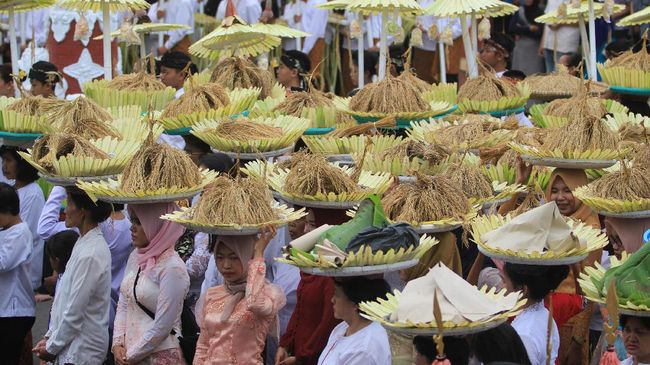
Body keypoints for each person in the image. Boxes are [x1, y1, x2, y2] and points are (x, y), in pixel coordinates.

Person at [33, 188, 113, 363]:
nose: (65, 209)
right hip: (72, 347)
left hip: (82, 351)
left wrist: (52, 347)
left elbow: (75, 311)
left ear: (82, 212)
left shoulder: (91, 253)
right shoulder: (83, 243)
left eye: (68, 203)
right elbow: (64, 300)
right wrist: (49, 338)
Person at [193, 227, 286, 363]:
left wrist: (258, 253)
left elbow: (254, 303)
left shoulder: (266, 295)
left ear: (248, 257)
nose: (226, 265)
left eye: (234, 257)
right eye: (220, 257)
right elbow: (203, 345)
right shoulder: (212, 294)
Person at [112, 203, 190, 364]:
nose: (132, 228)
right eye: (132, 221)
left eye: (139, 222)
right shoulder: (136, 255)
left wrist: (130, 356)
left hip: (160, 356)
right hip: (128, 354)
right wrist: (117, 343)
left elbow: (163, 326)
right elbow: (124, 302)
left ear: (158, 226)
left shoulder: (173, 268)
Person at [276, 210, 339, 365]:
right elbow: (300, 309)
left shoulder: (332, 273)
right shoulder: (313, 267)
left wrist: (302, 357)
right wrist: (285, 344)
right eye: (307, 223)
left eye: (312, 224)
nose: (305, 230)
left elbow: (327, 323)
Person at [501, 263, 568, 365]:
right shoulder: (544, 314)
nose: (502, 287)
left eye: (505, 281)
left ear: (523, 290)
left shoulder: (524, 335)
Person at [317, 276, 392, 365]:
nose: (332, 300)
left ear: (355, 304)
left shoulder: (364, 349)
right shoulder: (342, 327)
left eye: (337, 295)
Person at [0, 183, 35, 364]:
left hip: (14, 312)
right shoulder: (5, 230)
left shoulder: (20, 232)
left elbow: (3, 263)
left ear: (6, 210)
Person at [0, 146, 45, 290]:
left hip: (23, 273)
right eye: (3, 160)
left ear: (22, 163)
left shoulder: (33, 193)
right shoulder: (12, 188)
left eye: (9, 160)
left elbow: (25, 232)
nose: (4, 165)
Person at [540, 0, 580, 72]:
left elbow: (583, 20)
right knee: (549, 77)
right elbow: (546, 19)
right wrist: (543, 42)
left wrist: (560, 23)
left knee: (561, 78)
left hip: (565, 45)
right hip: (549, 43)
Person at [509, 0, 545, 76]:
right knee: (518, 77)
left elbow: (539, 32)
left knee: (534, 77)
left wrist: (520, 29)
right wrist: (529, 28)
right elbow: (511, 28)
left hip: (534, 49)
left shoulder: (541, 11)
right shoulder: (520, 11)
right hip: (520, 48)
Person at [300, 0, 328, 80]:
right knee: (306, 73)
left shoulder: (319, 3)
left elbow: (315, 29)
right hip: (307, 40)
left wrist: (305, 50)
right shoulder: (311, 2)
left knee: (313, 74)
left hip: (314, 41)